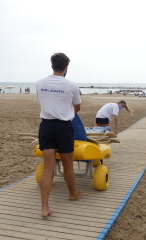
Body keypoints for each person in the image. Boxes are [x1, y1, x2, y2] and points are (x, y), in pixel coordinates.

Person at [36, 52, 82, 218]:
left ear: (52, 65)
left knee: (48, 167)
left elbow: (43, 102)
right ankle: (73, 193)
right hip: (63, 127)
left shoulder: (39, 83)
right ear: (66, 67)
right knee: (68, 165)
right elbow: (77, 108)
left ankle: (44, 208)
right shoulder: (72, 85)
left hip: (46, 126)